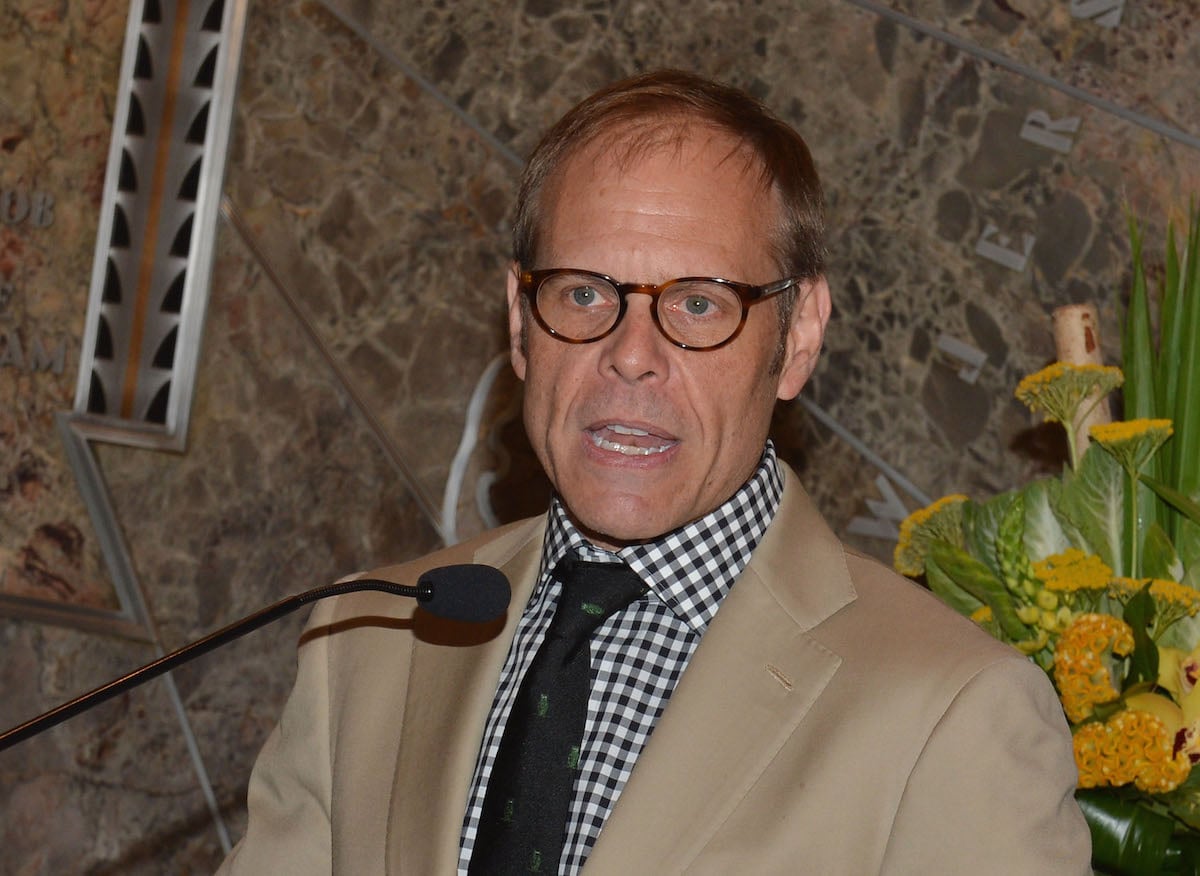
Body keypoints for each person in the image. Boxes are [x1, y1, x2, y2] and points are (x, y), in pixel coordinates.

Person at [219, 70, 1091, 874]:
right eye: (584, 293)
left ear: (798, 339)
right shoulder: (366, 643)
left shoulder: (953, 713)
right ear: (520, 322)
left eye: (699, 304)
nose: (630, 355)